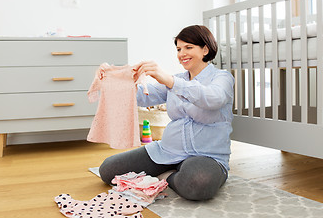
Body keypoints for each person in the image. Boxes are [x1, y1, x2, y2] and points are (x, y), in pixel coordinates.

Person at [99, 25, 234, 201]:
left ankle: (166, 176)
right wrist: (119, 81)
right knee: (108, 170)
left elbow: (213, 98)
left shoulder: (221, 78)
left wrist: (170, 81)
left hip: (207, 156)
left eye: (188, 47)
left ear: (205, 49)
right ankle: (174, 170)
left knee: (198, 183)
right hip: (168, 150)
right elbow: (143, 97)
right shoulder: (176, 79)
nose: (182, 53)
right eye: (179, 49)